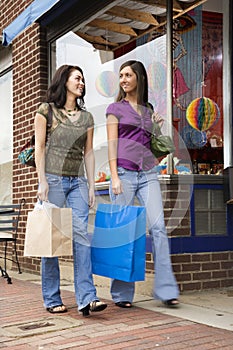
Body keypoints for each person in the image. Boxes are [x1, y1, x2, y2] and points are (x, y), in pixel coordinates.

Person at [35, 64, 107, 316]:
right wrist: (41, 180)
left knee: (82, 237)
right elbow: (40, 147)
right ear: (64, 80)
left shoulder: (87, 117)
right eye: (77, 78)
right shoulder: (46, 110)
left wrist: (91, 187)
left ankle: (87, 298)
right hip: (52, 180)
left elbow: (88, 152)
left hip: (77, 182)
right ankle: (52, 297)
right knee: (52, 240)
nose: (82, 83)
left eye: (83, 79)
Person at [106, 60, 179, 308]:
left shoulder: (148, 110)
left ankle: (167, 289)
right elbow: (112, 145)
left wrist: (157, 126)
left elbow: (157, 149)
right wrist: (114, 177)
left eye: (128, 75)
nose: (124, 79)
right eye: (121, 75)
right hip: (124, 174)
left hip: (148, 174)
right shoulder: (114, 108)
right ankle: (122, 294)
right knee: (125, 232)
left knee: (158, 228)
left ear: (139, 77)